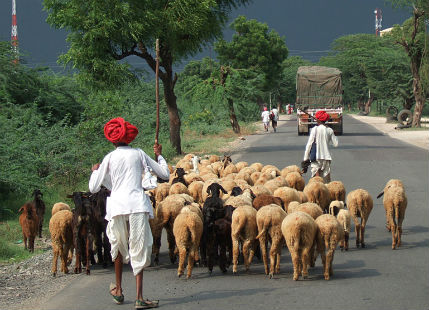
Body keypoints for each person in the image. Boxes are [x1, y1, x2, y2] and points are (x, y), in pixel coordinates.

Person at [89, 117, 169, 309]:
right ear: (129, 138)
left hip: (116, 207)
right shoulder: (139, 154)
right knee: (138, 247)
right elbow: (164, 175)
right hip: (137, 205)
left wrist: (94, 171)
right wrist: (159, 156)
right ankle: (139, 298)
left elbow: (93, 188)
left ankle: (118, 289)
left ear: (112, 140)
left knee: (117, 246)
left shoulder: (109, 158)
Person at [303, 111, 338, 183]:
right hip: (326, 158)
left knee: (316, 182)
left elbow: (309, 145)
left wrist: (305, 160)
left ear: (317, 120)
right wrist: (331, 132)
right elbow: (336, 144)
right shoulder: (329, 130)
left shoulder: (314, 130)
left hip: (315, 158)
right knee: (326, 183)